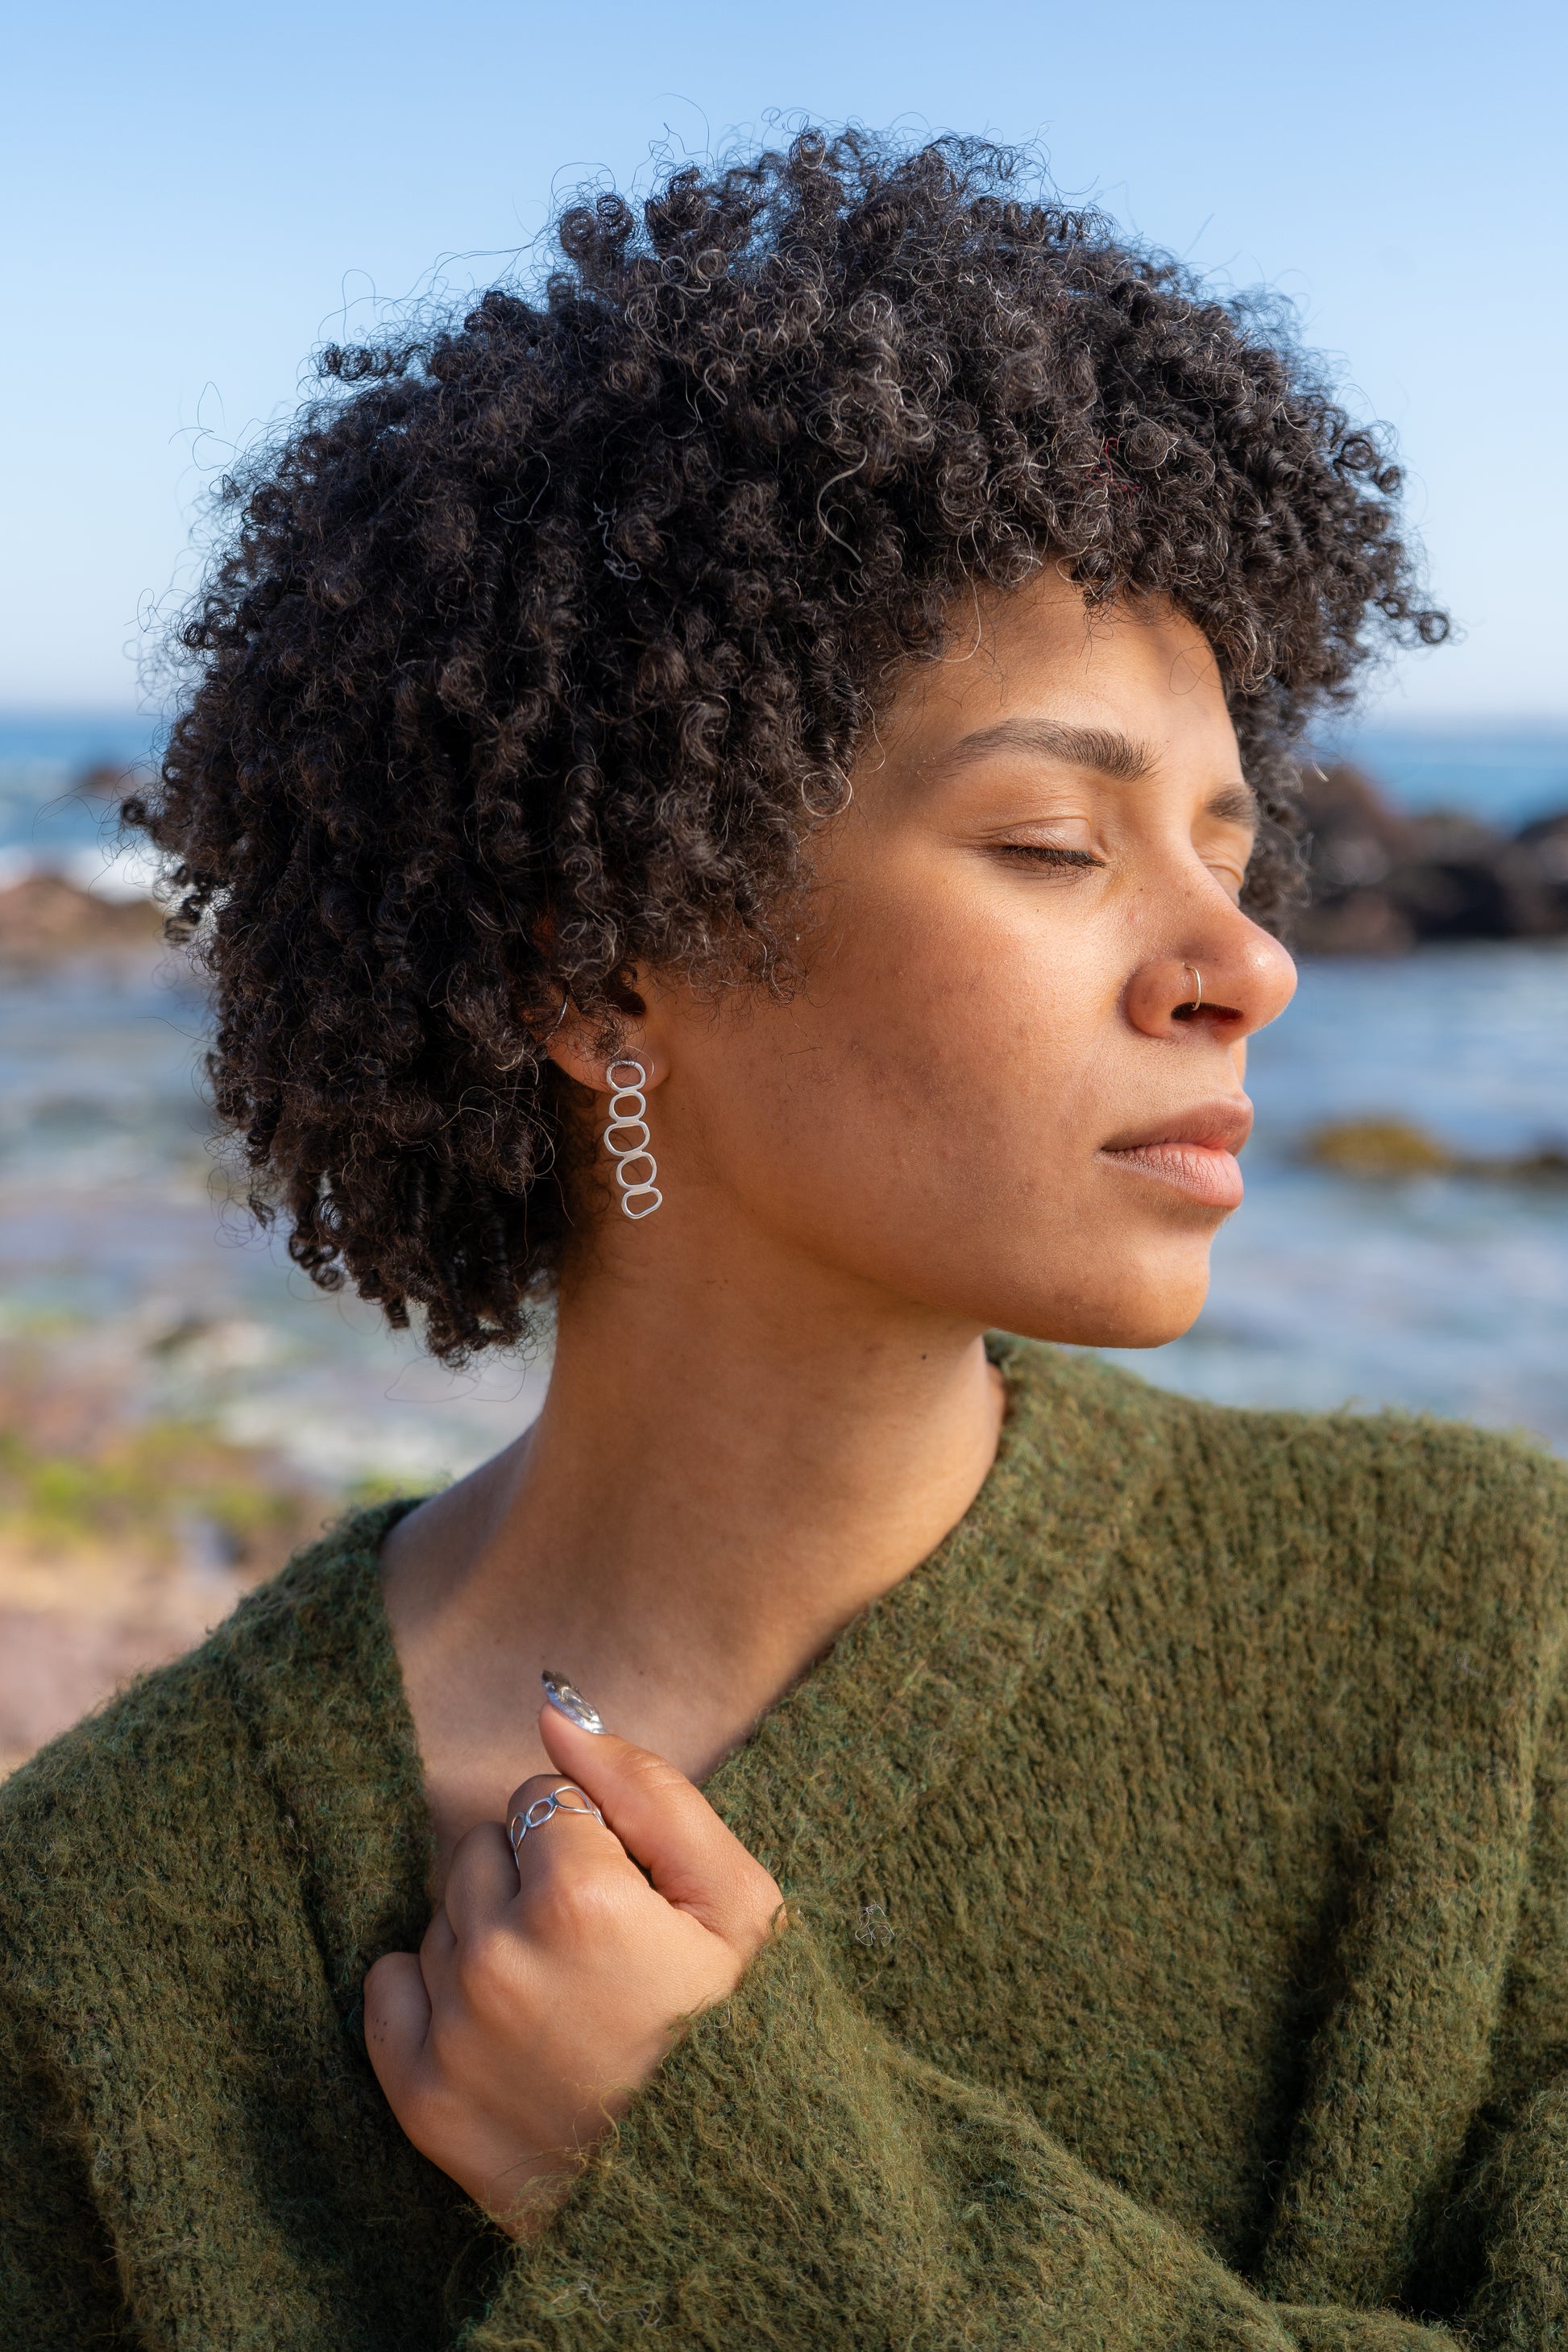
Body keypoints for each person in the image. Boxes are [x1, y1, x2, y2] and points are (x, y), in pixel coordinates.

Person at [3, 131, 1564, 2350]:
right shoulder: (97, 1936)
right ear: (604, 975)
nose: (1244, 967)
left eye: (1233, 851)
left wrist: (727, 2184)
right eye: (1051, 841)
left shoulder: (1486, 1652)